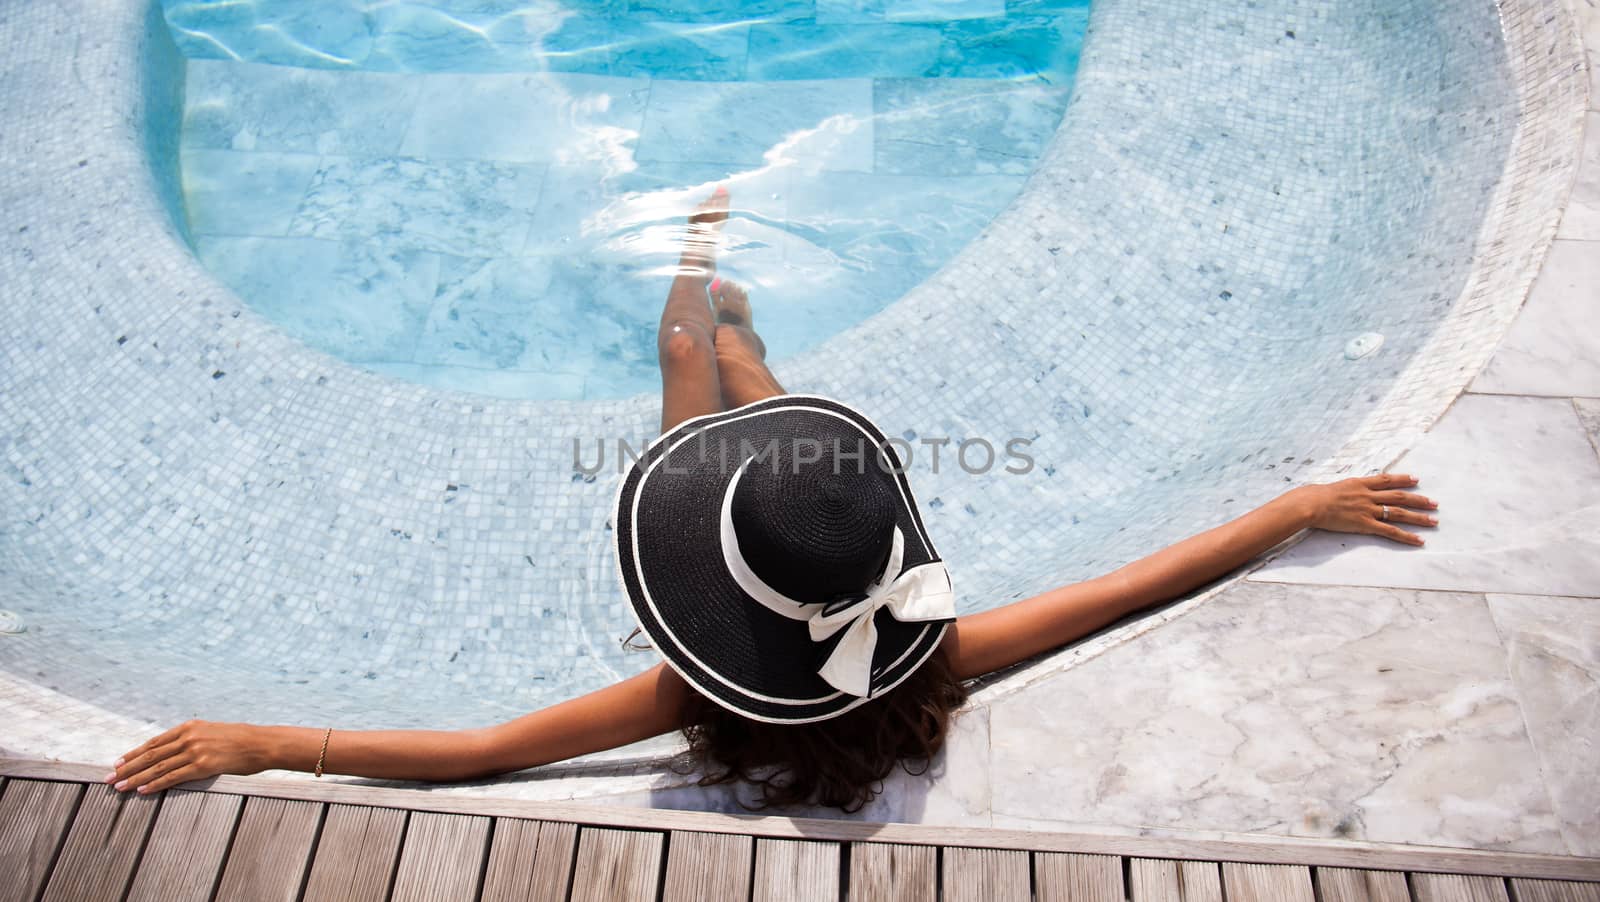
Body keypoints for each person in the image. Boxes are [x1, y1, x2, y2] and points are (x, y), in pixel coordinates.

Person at [104, 188, 1439, 811]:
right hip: (798, 541)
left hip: (762, 541)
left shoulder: (702, 693)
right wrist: (1289, 508)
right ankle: (732, 309)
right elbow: (1137, 582)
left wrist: (262, 738)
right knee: (751, 391)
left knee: (691, 365)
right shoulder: (933, 652)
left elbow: (487, 756)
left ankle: (700, 264)